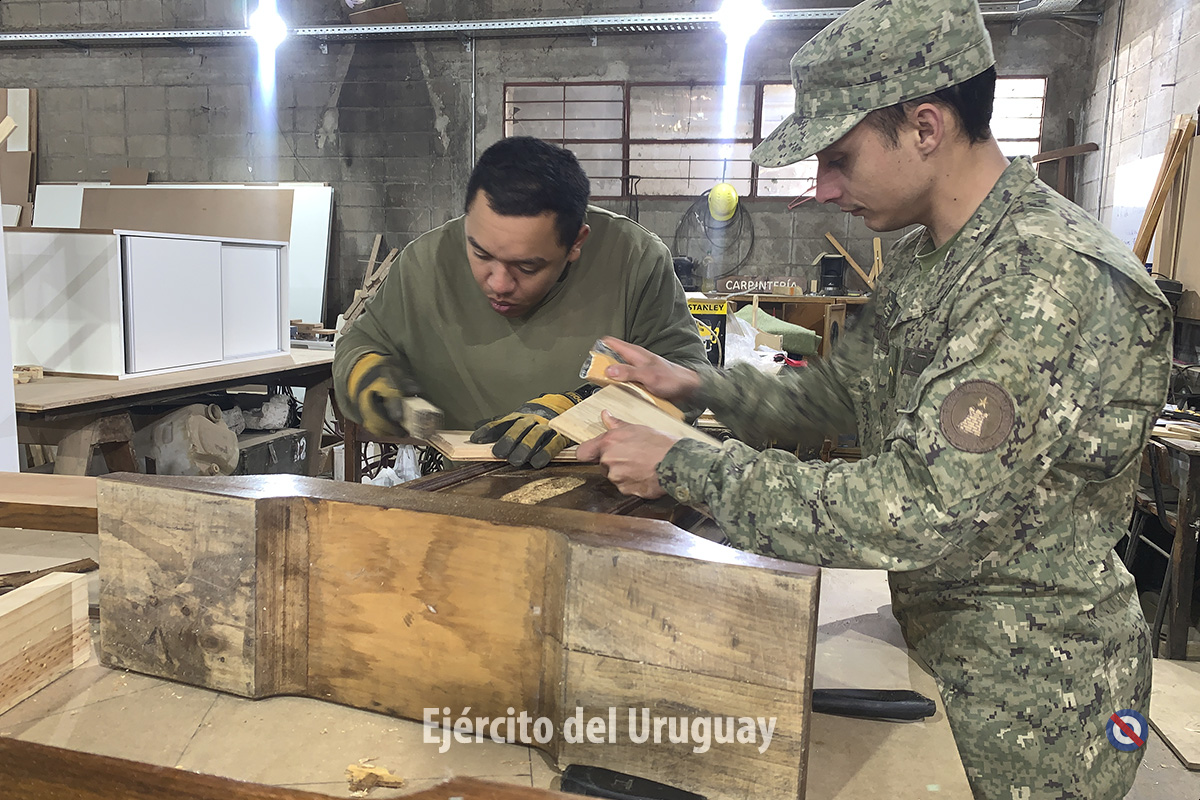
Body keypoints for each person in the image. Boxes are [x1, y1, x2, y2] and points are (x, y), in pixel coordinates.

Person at [577, 1, 1172, 798]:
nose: (822, 189)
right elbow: (842, 396)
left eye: (839, 157)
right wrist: (694, 384)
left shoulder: (1040, 276)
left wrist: (689, 467)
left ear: (925, 127)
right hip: (945, 646)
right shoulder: (932, 259)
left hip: (1036, 701)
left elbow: (920, 505)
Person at [334, 136, 707, 469]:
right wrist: (364, 373)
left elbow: (688, 384)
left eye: (527, 267)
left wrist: (580, 413)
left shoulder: (634, 261)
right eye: (480, 253)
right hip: (463, 486)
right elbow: (361, 341)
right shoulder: (425, 264)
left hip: (601, 487)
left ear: (576, 243)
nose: (498, 283)